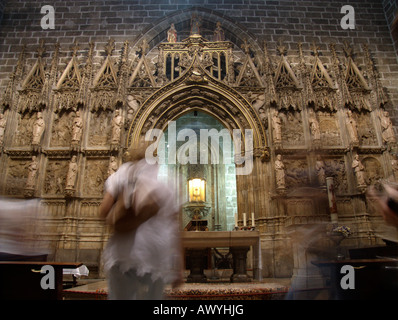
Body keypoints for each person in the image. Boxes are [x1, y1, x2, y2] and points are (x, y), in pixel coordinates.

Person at [100, 140, 183, 300]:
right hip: (155, 258)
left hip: (122, 256)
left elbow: (103, 211)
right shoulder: (165, 185)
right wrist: (178, 268)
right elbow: (175, 231)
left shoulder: (123, 174)